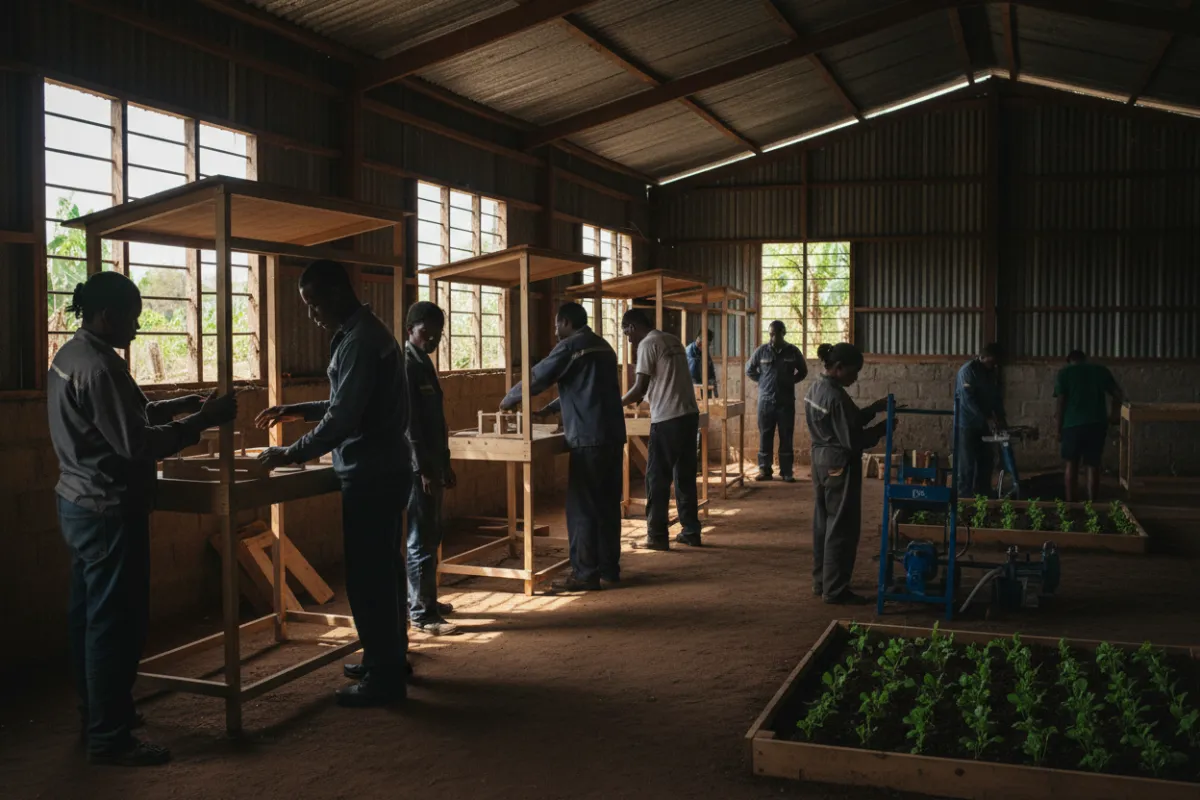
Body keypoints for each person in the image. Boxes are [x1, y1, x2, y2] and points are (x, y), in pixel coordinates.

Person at [48, 272, 238, 766]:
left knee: (89, 616)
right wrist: (200, 423)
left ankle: (99, 712)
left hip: (78, 502)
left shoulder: (73, 355)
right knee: (116, 622)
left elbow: (122, 417)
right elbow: (135, 444)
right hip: (108, 509)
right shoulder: (101, 369)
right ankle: (111, 737)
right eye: (131, 319)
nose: (136, 328)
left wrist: (181, 405)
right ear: (107, 317)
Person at [255, 259, 411, 708]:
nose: (311, 314)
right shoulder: (362, 334)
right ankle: (387, 657)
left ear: (338, 295)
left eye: (315, 303)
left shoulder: (360, 341)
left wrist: (292, 452)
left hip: (372, 472)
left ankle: (383, 677)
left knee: (369, 577)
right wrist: (299, 409)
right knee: (384, 571)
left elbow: (344, 417)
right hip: (383, 467)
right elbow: (346, 399)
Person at [499, 302, 625, 591]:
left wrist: (510, 398)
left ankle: (584, 574)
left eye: (557, 325)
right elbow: (588, 388)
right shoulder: (603, 346)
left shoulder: (571, 346)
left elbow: (539, 376)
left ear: (566, 322)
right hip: (612, 435)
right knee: (607, 504)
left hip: (588, 437)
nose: (556, 331)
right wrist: (552, 409)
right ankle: (608, 568)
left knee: (581, 507)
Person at [804, 343, 890, 605]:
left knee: (824, 524)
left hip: (820, 461)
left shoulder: (815, 388)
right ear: (839, 368)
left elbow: (845, 421)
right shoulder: (837, 397)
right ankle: (836, 589)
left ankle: (822, 582)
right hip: (839, 464)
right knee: (841, 526)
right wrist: (881, 429)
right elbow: (853, 439)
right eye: (854, 372)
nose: (856, 377)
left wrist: (873, 409)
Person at [620, 308, 702, 550]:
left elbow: (639, 386)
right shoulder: (672, 340)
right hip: (689, 416)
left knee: (657, 478)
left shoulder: (647, 344)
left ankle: (656, 536)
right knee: (684, 477)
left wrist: (615, 404)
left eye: (627, 334)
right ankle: (691, 531)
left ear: (633, 327)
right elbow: (665, 382)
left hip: (668, 419)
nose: (628, 340)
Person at [403, 301, 459, 635]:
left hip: (433, 464)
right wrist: (423, 469)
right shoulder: (407, 365)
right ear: (410, 329)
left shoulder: (423, 363)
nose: (433, 340)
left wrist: (445, 463)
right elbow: (410, 426)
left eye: (438, 334)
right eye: (426, 333)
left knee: (432, 534)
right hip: (417, 468)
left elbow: (436, 424)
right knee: (420, 539)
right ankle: (422, 613)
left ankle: (427, 599)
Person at [1054, 350, 1123, 502]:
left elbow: (1061, 404)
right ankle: (1093, 504)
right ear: (1085, 359)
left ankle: (1071, 503)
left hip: (1072, 425)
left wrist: (1058, 429)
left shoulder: (1064, 374)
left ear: (1070, 360)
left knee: (1071, 464)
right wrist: (1114, 416)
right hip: (1096, 424)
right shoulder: (1100, 371)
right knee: (1093, 464)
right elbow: (1118, 395)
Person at [746, 320, 807, 482]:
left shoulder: (793, 352)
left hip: (786, 402)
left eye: (775, 334)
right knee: (765, 435)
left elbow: (803, 371)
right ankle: (765, 470)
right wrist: (763, 381)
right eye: (770, 334)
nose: (772, 337)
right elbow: (749, 369)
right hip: (765, 402)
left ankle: (787, 472)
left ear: (783, 333)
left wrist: (790, 382)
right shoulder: (762, 351)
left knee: (786, 436)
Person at [954, 342, 1006, 498]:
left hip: (983, 425)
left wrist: (1001, 416)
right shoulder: (968, 371)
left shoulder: (991, 372)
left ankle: (982, 494)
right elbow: (968, 400)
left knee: (986, 460)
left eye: (995, 362)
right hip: (967, 424)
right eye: (991, 362)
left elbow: (996, 396)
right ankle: (964, 497)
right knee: (967, 463)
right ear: (982, 357)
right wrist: (987, 418)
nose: (993, 365)